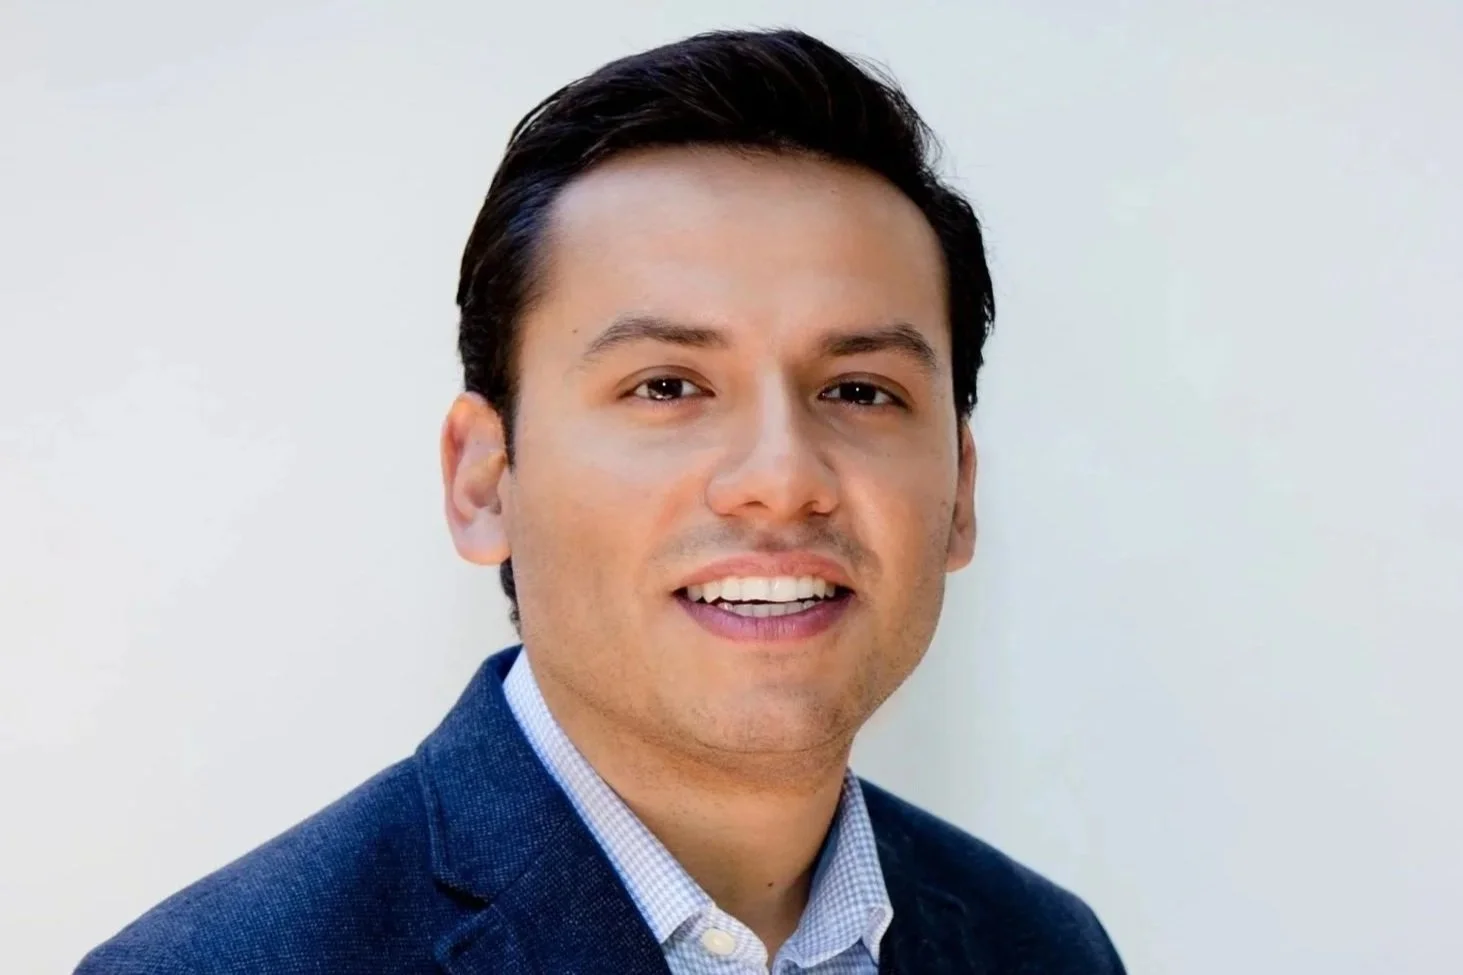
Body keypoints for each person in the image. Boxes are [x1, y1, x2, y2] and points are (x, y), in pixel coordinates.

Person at [78, 28, 1125, 974]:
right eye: (666, 387)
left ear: (957, 495)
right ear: (483, 479)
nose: (781, 478)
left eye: (858, 391)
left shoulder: (1041, 947)